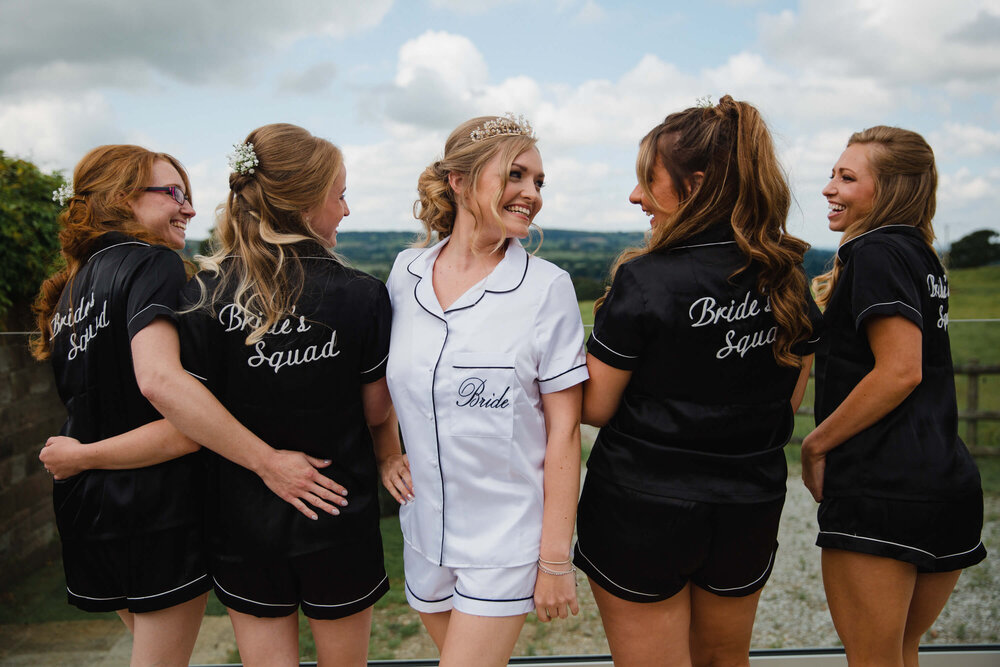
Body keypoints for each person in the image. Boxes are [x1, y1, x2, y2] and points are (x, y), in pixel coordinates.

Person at [39, 124, 399, 666]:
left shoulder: (188, 293)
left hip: (225, 521)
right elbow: (374, 409)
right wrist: (382, 446)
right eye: (339, 194)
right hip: (324, 508)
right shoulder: (363, 293)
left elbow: (178, 398)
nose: (346, 210)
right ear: (304, 202)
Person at [575, 95, 821, 666]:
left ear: (698, 185)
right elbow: (790, 399)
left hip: (640, 509)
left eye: (648, 181)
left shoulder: (644, 281)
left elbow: (597, 408)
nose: (636, 196)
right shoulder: (786, 280)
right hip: (747, 506)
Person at [381, 113, 587, 666]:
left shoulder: (547, 289)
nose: (531, 193)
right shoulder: (405, 274)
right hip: (423, 531)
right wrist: (386, 453)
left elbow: (565, 430)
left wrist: (554, 560)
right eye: (516, 175)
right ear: (458, 180)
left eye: (539, 182)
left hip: (506, 540)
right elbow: (383, 384)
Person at [803, 126, 986, 666]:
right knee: (900, 653)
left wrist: (815, 445)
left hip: (881, 488)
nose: (828, 188)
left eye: (847, 177)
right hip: (944, 481)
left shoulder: (875, 251)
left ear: (889, 190)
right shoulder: (921, 255)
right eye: (833, 174)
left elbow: (900, 371)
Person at [32, 145, 209, 665]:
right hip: (154, 506)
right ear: (120, 199)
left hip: (89, 507)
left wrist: (81, 459)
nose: (189, 208)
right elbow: (171, 403)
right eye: (173, 193)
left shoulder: (69, 289)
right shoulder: (154, 264)